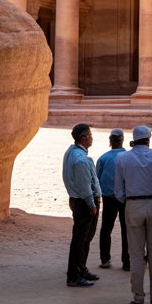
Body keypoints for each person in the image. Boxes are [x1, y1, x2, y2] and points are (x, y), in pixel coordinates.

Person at [114, 124, 152, 304]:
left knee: (136, 255)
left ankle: (138, 298)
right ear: (148, 139)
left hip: (133, 205)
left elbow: (118, 191)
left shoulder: (122, 158)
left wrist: (129, 200)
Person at [62, 123, 102, 288]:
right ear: (84, 137)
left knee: (84, 238)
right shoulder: (80, 160)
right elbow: (85, 186)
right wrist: (92, 205)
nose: (92, 138)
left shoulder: (73, 152)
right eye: (90, 135)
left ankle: (81, 269)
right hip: (84, 203)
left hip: (78, 200)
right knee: (80, 239)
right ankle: (74, 276)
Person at [95, 129, 130, 271]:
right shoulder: (128, 157)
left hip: (108, 197)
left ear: (110, 141)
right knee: (126, 229)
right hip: (125, 198)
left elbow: (96, 179)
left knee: (106, 228)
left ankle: (105, 259)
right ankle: (126, 261)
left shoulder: (104, 158)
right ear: (122, 140)